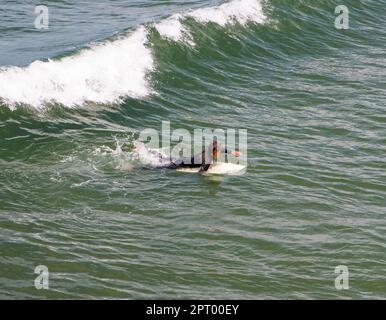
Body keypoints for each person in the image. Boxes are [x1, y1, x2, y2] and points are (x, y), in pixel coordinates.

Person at [165, 140, 240, 172]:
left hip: (184, 159)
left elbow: (224, 149)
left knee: (164, 159)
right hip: (179, 164)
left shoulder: (212, 150)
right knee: (161, 168)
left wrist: (233, 152)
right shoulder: (207, 159)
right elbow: (201, 172)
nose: (220, 152)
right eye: (218, 151)